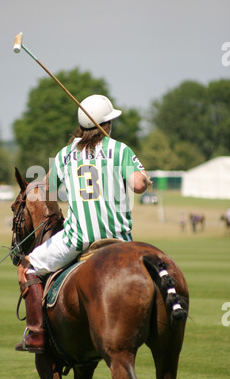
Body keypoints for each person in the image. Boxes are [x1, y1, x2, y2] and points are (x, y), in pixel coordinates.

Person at [15, 94, 151, 353]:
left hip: (78, 239)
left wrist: (58, 216)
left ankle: (37, 334)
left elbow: (50, 196)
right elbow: (138, 185)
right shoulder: (120, 149)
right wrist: (145, 177)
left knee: (27, 267)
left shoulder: (65, 155)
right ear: (105, 125)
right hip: (120, 239)